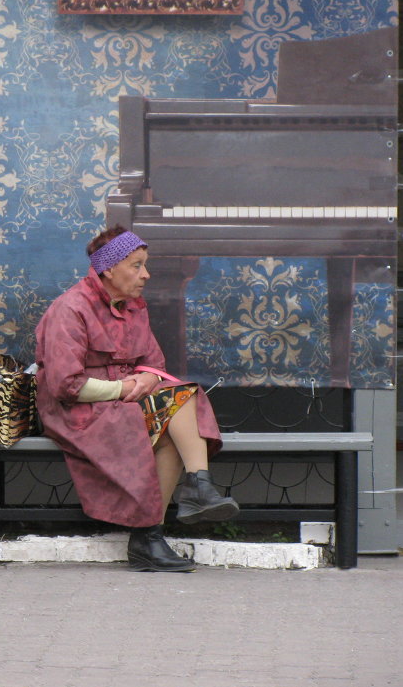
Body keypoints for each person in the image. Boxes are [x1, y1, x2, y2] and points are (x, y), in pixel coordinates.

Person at [34, 226, 239, 572]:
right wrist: (123, 389)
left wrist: (146, 377)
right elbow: (64, 384)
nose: (147, 274)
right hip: (77, 410)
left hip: (126, 400)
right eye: (137, 265)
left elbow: (154, 363)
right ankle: (172, 514)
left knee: (182, 405)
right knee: (171, 414)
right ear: (109, 269)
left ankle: (168, 518)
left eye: (145, 265)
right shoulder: (70, 309)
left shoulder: (133, 308)